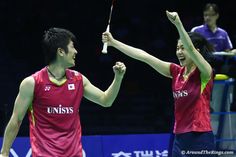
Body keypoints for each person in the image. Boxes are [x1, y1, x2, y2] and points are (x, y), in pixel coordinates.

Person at [102, 11, 216, 156]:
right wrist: (113, 43)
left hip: (200, 137)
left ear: (196, 52)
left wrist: (178, 24)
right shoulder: (175, 72)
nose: (179, 52)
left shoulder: (205, 73)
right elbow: (145, 57)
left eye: (183, 48)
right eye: (177, 48)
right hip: (179, 137)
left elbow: (191, 49)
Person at [0, 27, 126, 157]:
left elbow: (106, 101)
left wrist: (118, 78)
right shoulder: (32, 83)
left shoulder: (78, 80)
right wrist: (4, 153)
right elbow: (16, 120)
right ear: (60, 51)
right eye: (72, 47)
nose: (76, 51)